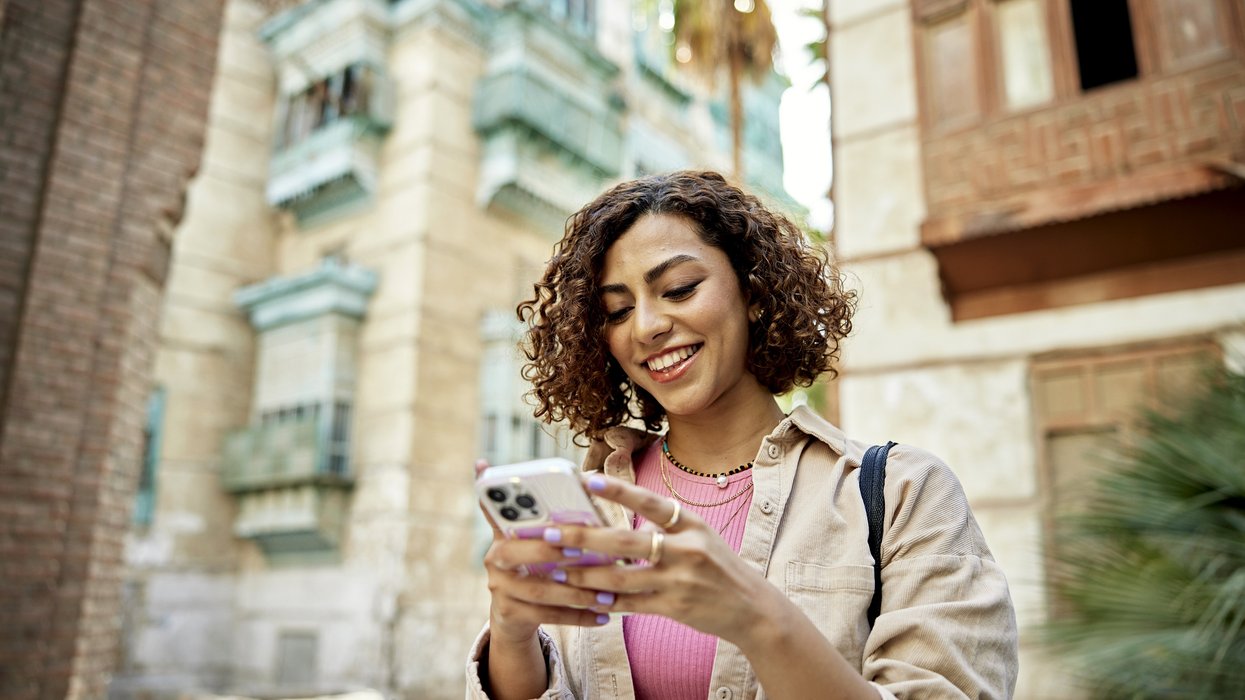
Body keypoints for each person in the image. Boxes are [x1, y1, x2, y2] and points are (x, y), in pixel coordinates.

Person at [466, 171, 1018, 699]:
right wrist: (512, 634)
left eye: (679, 289)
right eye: (618, 310)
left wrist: (754, 617)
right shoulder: (593, 507)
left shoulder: (899, 495)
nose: (647, 326)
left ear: (753, 291)